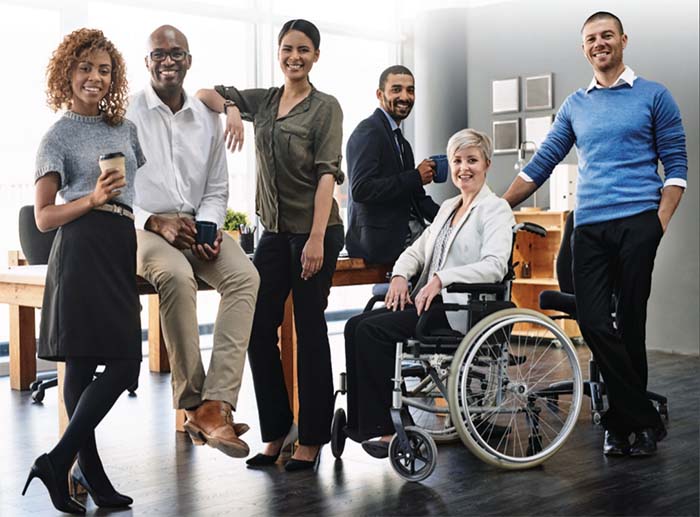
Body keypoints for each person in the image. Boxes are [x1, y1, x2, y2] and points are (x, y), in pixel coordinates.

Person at [502, 11, 687, 457]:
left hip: (637, 223)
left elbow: (677, 166)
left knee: (631, 325)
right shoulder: (575, 105)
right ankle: (641, 418)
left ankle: (622, 427)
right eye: (591, 38)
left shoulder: (654, 96)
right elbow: (540, 163)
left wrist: (656, 225)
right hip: (588, 227)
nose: (599, 43)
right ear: (583, 48)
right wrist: (493, 206)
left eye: (607, 35)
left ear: (623, 40)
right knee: (595, 322)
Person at [196, 19, 344, 471]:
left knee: (309, 327)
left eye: (303, 50)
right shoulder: (267, 100)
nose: (294, 57)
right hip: (273, 234)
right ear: (278, 53)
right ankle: (277, 430)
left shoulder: (326, 108)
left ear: (315, 55)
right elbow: (205, 93)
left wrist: (317, 238)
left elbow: (326, 176)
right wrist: (234, 110)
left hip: (315, 231)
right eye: (286, 49)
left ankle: (313, 438)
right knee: (258, 330)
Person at [23, 29, 143, 513]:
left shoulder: (125, 129)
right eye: (85, 68)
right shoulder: (58, 136)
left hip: (119, 243)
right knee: (105, 362)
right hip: (80, 246)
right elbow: (43, 217)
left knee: (110, 360)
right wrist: (91, 198)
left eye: (104, 69)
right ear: (67, 73)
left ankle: (73, 467)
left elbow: (134, 191)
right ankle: (75, 466)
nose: (95, 77)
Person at [126, 25, 259, 459]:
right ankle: (192, 403)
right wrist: (155, 222)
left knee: (244, 276)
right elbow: (115, 190)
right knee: (177, 277)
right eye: (158, 54)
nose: (167, 60)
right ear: (147, 62)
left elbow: (217, 187)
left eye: (176, 53)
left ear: (188, 60)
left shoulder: (207, 117)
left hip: (194, 224)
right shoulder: (126, 115)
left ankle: (216, 403)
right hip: (143, 227)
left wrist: (208, 225)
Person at [344, 128, 515, 458]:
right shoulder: (449, 207)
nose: (464, 168)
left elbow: (494, 266)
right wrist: (398, 275)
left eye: (472, 160)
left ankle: (387, 426)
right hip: (429, 304)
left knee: (373, 331)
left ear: (487, 164)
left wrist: (441, 278)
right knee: (356, 325)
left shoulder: (495, 209)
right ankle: (364, 424)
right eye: (457, 161)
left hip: (460, 310)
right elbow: (417, 250)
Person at [345, 65, 439, 265]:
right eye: (396, 89)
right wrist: (415, 176)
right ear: (380, 94)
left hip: (406, 238)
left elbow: (416, 197)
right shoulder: (368, 131)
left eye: (410, 90)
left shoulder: (401, 142)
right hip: (380, 243)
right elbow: (361, 189)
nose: (405, 97)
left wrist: (455, 216)